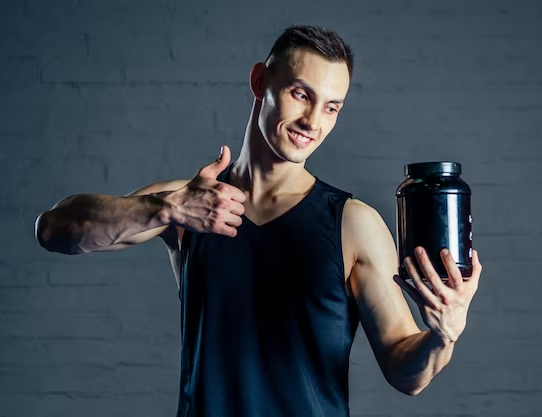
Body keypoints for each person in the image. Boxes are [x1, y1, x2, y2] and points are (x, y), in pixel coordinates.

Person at [35, 24, 482, 417]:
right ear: (259, 81)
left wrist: (443, 335)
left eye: (331, 107)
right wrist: (166, 208)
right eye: (301, 94)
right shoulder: (188, 202)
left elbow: (406, 373)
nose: (313, 121)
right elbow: (55, 229)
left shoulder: (352, 223)